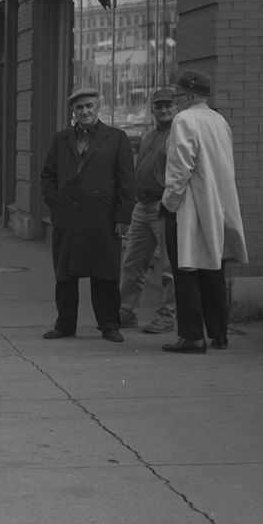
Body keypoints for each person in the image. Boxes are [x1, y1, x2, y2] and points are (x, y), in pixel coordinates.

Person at [160, 68, 248, 353]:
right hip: (218, 205)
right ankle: (219, 332)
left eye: (177, 94)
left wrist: (168, 203)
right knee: (213, 268)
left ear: (187, 95)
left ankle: (191, 335)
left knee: (186, 270)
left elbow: (179, 168)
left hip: (190, 207)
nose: (174, 99)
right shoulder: (219, 120)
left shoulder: (184, 120)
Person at [41, 88, 136, 343]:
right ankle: (65, 325)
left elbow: (127, 182)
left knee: (105, 273)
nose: (85, 111)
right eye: (79, 107)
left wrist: (122, 217)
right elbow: (48, 175)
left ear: (98, 108)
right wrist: (55, 202)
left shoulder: (116, 138)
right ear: (73, 111)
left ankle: (109, 325)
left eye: (89, 106)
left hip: (102, 219)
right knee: (65, 274)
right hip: (68, 217)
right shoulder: (61, 140)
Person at [118, 87, 177, 333]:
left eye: (168, 105)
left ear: (176, 108)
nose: (163, 109)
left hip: (163, 208)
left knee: (169, 267)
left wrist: (168, 203)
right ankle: (126, 311)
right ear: (152, 109)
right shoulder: (150, 136)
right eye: (158, 106)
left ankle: (167, 316)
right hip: (142, 207)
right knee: (132, 263)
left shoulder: (178, 136)